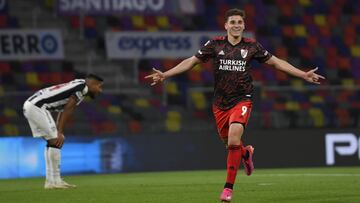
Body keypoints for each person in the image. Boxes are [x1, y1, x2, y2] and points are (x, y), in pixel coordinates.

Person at [145, 8, 325, 202]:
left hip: (242, 99)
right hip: (220, 103)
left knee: (232, 140)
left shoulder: (252, 46)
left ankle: (228, 189)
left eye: (239, 22)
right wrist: (166, 74)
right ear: (226, 25)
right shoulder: (214, 44)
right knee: (231, 144)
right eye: (232, 22)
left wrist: (302, 74)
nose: (236, 25)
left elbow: (277, 63)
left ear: (244, 25)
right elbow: (191, 61)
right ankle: (246, 153)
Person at [23, 74, 104, 189]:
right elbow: (68, 109)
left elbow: (63, 108)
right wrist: (59, 131)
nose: (100, 90)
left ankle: (52, 181)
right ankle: (55, 181)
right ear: (91, 83)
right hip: (38, 107)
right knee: (56, 139)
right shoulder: (82, 88)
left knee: (53, 142)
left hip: (31, 105)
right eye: (99, 86)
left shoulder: (79, 84)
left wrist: (58, 128)